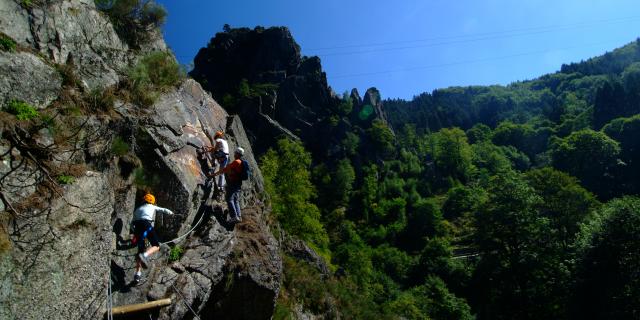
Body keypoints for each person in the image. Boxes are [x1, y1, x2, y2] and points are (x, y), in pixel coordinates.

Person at [130, 193, 174, 283]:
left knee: (140, 251)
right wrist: (171, 213)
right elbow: (163, 210)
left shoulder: (138, 209)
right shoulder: (152, 206)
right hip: (146, 224)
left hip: (137, 227)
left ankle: (137, 275)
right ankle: (145, 255)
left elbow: (132, 223)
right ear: (152, 202)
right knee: (156, 245)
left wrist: (135, 233)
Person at [211, 147, 244, 223]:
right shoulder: (241, 162)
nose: (234, 154)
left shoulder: (236, 162)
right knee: (235, 200)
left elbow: (224, 169)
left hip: (233, 183)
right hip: (238, 184)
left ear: (237, 154)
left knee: (229, 199)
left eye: (235, 153)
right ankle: (239, 216)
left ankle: (234, 216)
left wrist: (214, 174)